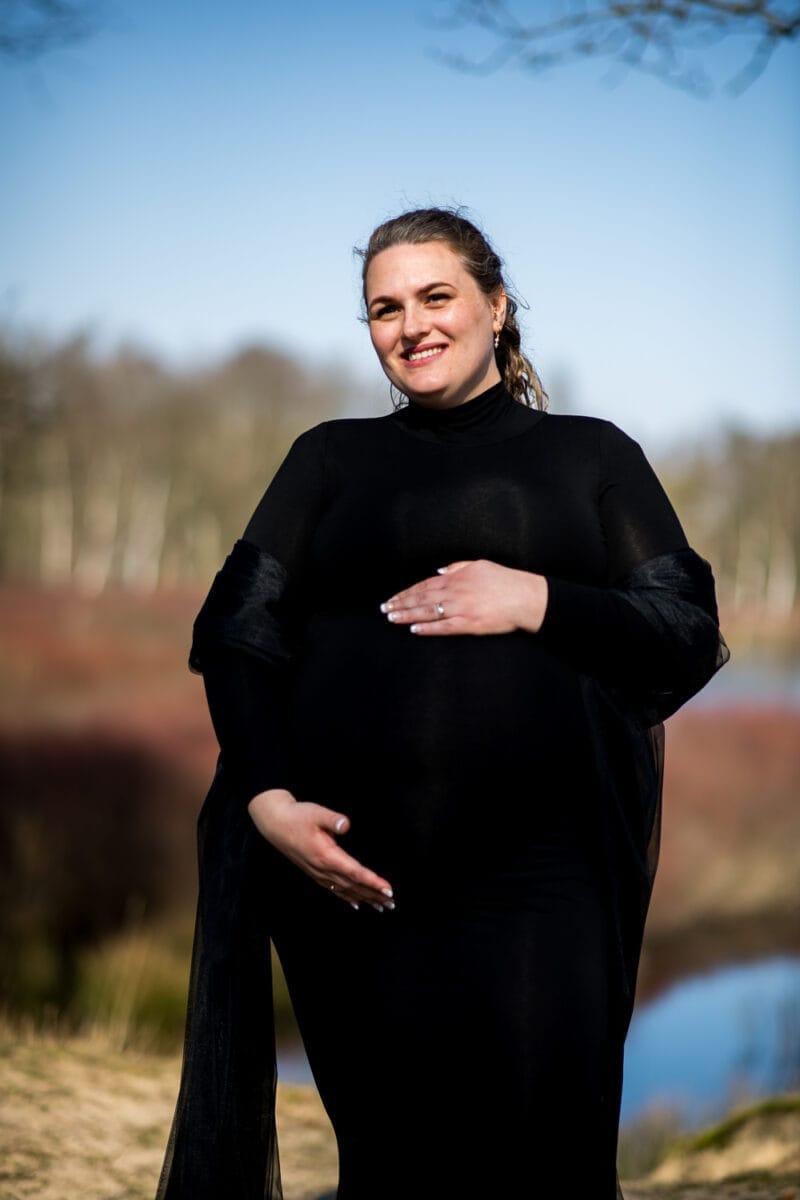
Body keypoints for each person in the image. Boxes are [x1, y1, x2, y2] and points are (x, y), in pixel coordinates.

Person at [155, 207, 729, 1200]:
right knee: (390, 1164)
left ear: (495, 309)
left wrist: (537, 597)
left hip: (540, 877)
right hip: (351, 879)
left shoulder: (590, 455)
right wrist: (264, 800)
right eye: (382, 308)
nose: (408, 324)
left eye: (434, 296)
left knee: (541, 1157)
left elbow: (682, 628)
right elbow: (235, 633)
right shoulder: (327, 457)